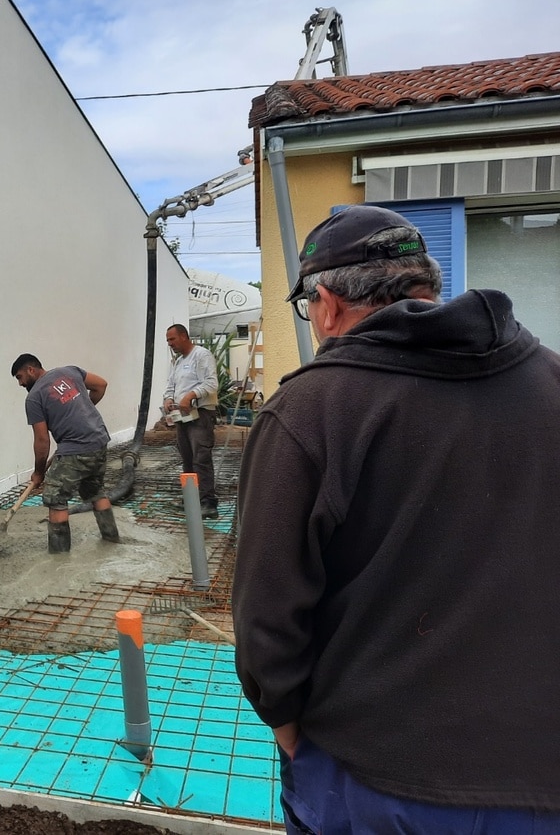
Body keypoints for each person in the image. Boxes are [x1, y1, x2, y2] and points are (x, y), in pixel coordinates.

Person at [232, 204, 560, 833]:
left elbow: (267, 615)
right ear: (427, 285)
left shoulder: (309, 411)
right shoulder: (549, 380)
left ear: (326, 304)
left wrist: (287, 723)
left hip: (375, 778)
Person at [10, 354, 121, 552]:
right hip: (99, 441)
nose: (20, 384)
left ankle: (59, 560)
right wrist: (83, 408)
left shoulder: (34, 397)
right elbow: (101, 385)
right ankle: (112, 540)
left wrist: (39, 472)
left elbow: (42, 441)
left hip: (75, 449)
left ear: (30, 370)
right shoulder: (70, 371)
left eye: (19, 377)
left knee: (55, 497)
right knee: (95, 491)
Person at [161, 323, 219, 518]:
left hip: (199, 415)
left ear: (184, 336)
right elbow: (171, 385)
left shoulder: (201, 356)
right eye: (168, 340)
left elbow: (211, 383)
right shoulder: (178, 362)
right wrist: (169, 399)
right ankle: (191, 499)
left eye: (172, 339)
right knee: (187, 458)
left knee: (201, 458)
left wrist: (191, 395)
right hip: (182, 417)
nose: (170, 344)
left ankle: (208, 503)